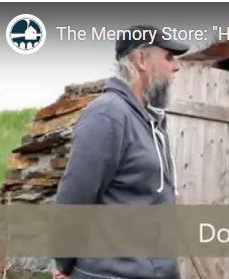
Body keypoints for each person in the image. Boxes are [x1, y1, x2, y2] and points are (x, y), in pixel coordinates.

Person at [52, 25, 189, 279]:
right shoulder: (107, 114)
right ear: (141, 60)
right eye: (169, 57)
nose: (176, 66)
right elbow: (74, 199)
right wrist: (64, 264)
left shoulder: (151, 122)